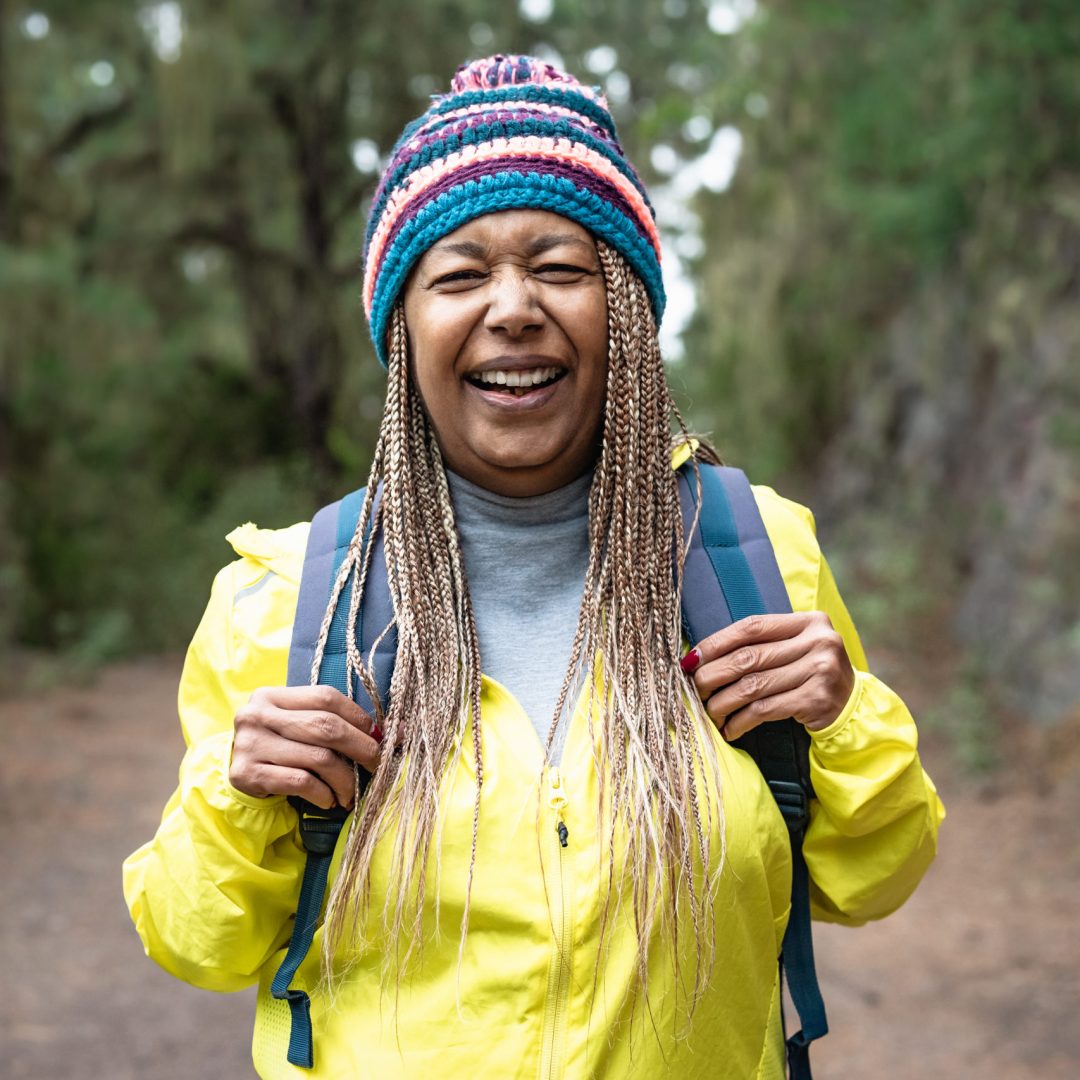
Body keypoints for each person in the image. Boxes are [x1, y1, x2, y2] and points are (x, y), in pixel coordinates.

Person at [123, 54, 945, 1079]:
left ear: (630, 317)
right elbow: (196, 942)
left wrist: (842, 720)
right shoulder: (289, 599)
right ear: (403, 330)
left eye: (561, 268)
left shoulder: (751, 559)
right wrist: (237, 798)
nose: (513, 308)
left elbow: (874, 878)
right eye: (459, 275)